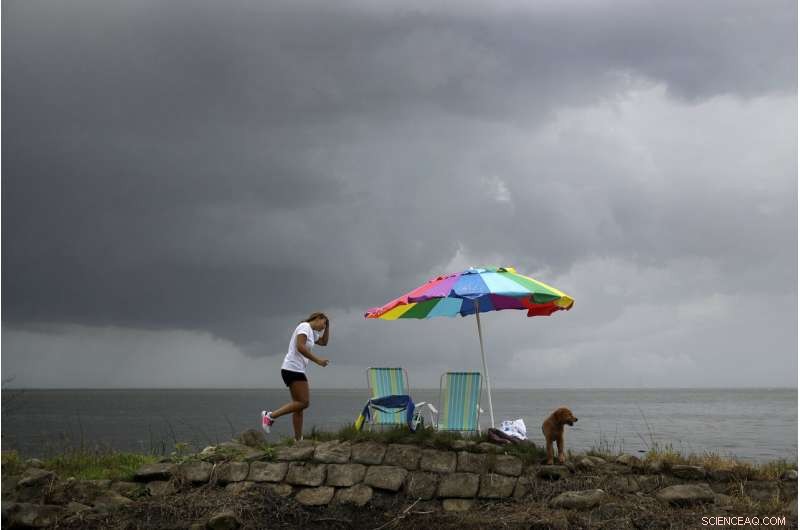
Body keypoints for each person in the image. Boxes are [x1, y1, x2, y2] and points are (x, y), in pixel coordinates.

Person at [261, 312, 330, 440]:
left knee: (298, 407)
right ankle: (270, 416)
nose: (323, 327)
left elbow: (324, 342)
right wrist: (318, 360)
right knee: (304, 402)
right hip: (292, 369)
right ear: (318, 318)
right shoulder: (304, 327)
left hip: (294, 369)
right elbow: (300, 347)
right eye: (323, 323)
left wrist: (328, 326)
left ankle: (298, 439)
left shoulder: (312, 332)